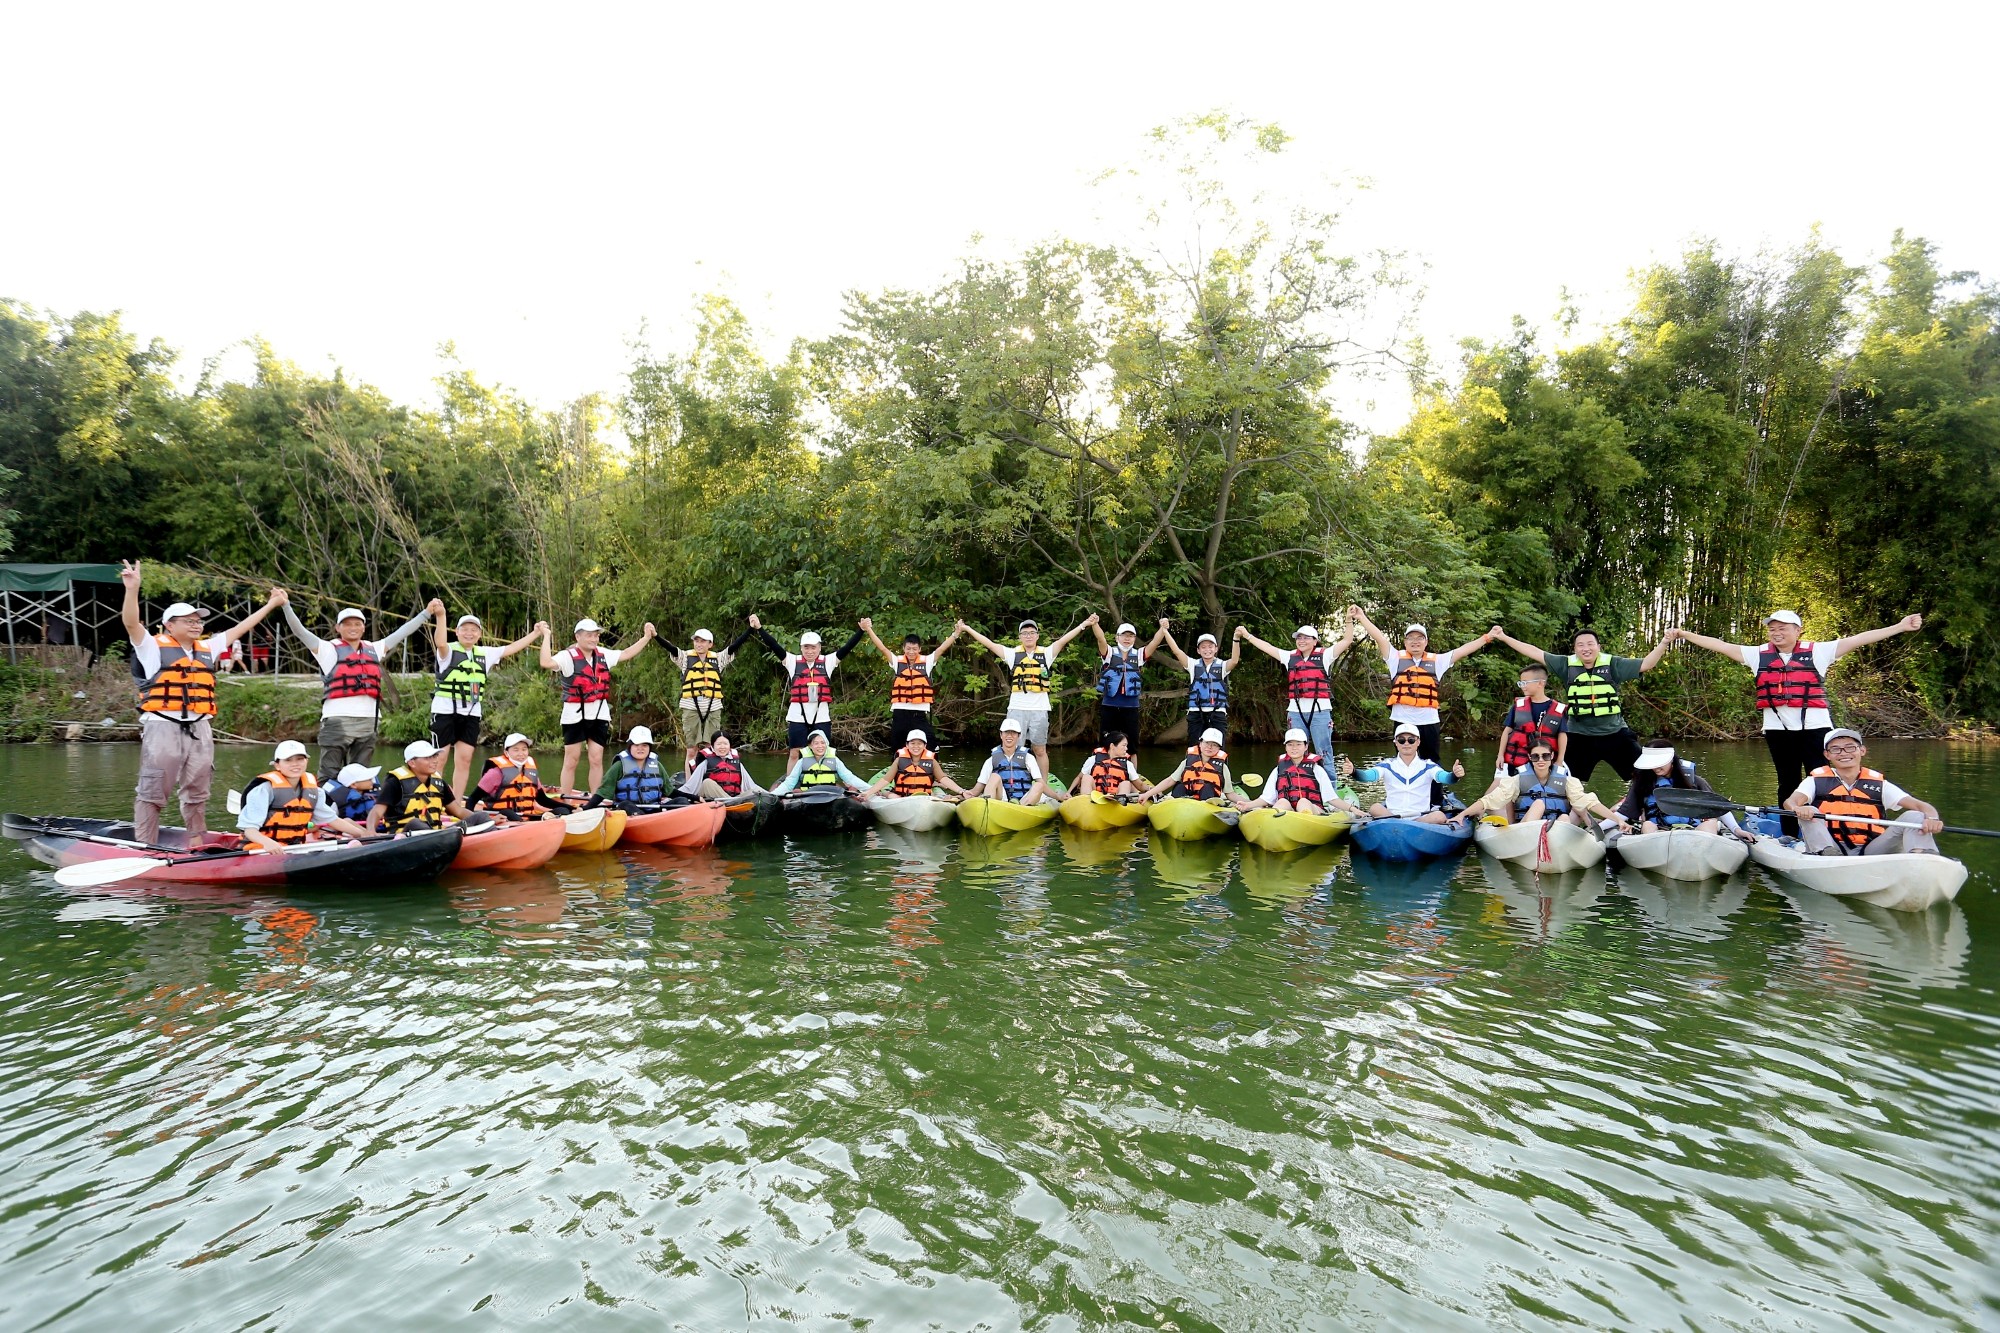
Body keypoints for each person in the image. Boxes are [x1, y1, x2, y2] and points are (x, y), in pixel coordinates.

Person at [1669, 610, 1925, 803]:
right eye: (1772, 629)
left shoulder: (1818, 651)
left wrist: (1899, 627)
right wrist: (1684, 634)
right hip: (1777, 729)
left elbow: (1859, 639)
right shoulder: (1758, 654)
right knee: (1787, 781)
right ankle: (1790, 834)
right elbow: (1720, 645)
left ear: (1798, 630)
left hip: (1815, 727)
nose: (1776, 632)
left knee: (1821, 778)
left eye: (1782, 628)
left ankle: (1826, 827)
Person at [119, 560, 288, 845]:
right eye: (189, 620)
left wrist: (271, 605)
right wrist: (132, 589)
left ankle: (197, 841)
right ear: (169, 625)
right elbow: (131, 623)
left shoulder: (207, 648)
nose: (196, 623)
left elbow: (242, 627)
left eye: (198, 620)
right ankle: (145, 845)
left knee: (198, 790)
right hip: (163, 727)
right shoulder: (151, 647)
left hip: (200, 727)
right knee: (153, 792)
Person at [283, 596, 441, 783]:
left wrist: (426, 613)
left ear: (363, 627)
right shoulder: (327, 650)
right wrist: (285, 605)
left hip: (368, 722)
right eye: (347, 624)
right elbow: (299, 631)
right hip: (337, 722)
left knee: (360, 775)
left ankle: (355, 809)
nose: (352, 627)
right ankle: (327, 809)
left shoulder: (374, 649)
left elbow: (402, 632)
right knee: (329, 773)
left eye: (357, 624)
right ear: (338, 628)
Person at [1489, 624, 1673, 782]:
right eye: (1580, 645)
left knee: (1644, 773)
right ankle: (1562, 815)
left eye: (1590, 644)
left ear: (1598, 646)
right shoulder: (1565, 665)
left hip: (1614, 733)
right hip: (1579, 735)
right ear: (1575, 649)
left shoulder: (1613, 665)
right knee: (1565, 778)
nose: (1586, 648)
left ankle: (1645, 810)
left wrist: (1664, 641)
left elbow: (1647, 664)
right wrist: (1504, 637)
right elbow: (1534, 652)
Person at [1349, 608, 1495, 762]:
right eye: (1410, 638)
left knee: (1431, 761)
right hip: (1403, 720)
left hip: (1429, 721)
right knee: (1404, 760)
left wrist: (1488, 637)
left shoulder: (1437, 661)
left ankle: (1435, 786)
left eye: (1420, 638)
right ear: (1405, 642)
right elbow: (1379, 638)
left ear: (1426, 642)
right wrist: (1361, 617)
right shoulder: (1395, 658)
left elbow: (1463, 650)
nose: (1415, 641)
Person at [958, 615, 1097, 777]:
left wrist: (1084, 624)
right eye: (1025, 633)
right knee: (1015, 749)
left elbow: (1063, 640)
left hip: (1039, 709)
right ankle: (1013, 781)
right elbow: (988, 643)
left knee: (1039, 749)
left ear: (1037, 636)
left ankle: (1043, 784)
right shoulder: (1012, 654)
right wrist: (967, 628)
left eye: (1032, 632)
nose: (1028, 636)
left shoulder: (1046, 653)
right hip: (1017, 709)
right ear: (1020, 637)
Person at [430, 609, 546, 792]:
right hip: (444, 711)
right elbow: (440, 641)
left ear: (480, 634)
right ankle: (432, 798)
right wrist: (441, 616)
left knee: (465, 759)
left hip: (471, 713)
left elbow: (512, 648)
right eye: (465, 629)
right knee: (440, 758)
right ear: (457, 632)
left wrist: (535, 633)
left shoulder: (485, 653)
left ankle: (457, 802)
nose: (469, 633)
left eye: (474, 629)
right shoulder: (448, 650)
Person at [540, 616, 658, 795]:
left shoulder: (603, 654)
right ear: (578, 637)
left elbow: (626, 653)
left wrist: (646, 638)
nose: (594, 639)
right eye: (589, 635)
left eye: (596, 635)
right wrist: (546, 635)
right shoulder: (567, 657)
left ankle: (596, 798)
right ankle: (566, 797)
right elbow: (545, 662)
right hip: (574, 715)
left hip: (599, 714)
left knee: (596, 759)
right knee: (572, 760)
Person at [1782, 728, 1943, 857]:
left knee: (1915, 816)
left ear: (1862, 751)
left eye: (1850, 747)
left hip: (1872, 849)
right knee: (1812, 812)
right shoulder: (1814, 780)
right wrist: (1799, 809)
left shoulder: (1879, 784)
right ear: (1827, 755)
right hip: (1830, 846)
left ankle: (1924, 857)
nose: (1844, 753)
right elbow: (1790, 802)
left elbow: (1920, 806)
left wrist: (1932, 818)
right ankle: (1827, 855)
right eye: (1836, 749)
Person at [751, 616, 867, 764]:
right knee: (794, 753)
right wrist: (759, 628)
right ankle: (790, 785)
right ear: (801, 648)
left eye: (813, 647)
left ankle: (824, 782)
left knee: (824, 752)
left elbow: (847, 648)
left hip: (821, 716)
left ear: (819, 648)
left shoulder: (828, 661)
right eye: (806, 647)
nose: (810, 651)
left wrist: (861, 631)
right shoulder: (792, 661)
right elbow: (773, 645)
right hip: (797, 716)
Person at [1236, 619, 1356, 761]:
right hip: (1295, 712)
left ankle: (1329, 783)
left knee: (1323, 752)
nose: (1301, 641)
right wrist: (1247, 635)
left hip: (1320, 711)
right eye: (1299, 637)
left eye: (1306, 638)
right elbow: (1266, 647)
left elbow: (1347, 640)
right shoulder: (1290, 657)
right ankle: (1299, 782)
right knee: (1297, 753)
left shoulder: (1325, 655)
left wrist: (1349, 619)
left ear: (1315, 641)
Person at [236, 740, 373, 850]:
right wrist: (269, 843)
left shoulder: (314, 791)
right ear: (277, 765)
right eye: (288, 760)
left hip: (294, 848)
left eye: (300, 759)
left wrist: (363, 835)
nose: (295, 764)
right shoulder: (264, 789)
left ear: (306, 761)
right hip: (261, 848)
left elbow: (333, 820)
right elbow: (249, 829)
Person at [1453, 743, 1628, 830]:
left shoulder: (1567, 781)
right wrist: (1461, 815)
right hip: (1529, 829)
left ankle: (1592, 831)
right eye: (1536, 757)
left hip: (1559, 828)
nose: (1541, 760)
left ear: (1552, 756)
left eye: (1545, 756)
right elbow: (1489, 800)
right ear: (1530, 758)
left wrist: (1618, 820)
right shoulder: (1518, 780)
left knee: (1572, 811)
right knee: (1538, 803)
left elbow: (1590, 803)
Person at [860, 618, 963, 753]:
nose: (911, 652)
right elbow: (882, 647)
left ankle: (933, 770)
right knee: (897, 747)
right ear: (904, 648)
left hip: (919, 714)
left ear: (919, 649)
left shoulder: (927, 661)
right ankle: (897, 770)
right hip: (900, 712)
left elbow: (942, 648)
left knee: (931, 744)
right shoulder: (897, 661)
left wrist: (956, 634)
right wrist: (868, 629)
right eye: (908, 648)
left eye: (914, 649)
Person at [662, 625, 756, 766]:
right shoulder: (686, 657)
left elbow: (735, 646)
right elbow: (671, 648)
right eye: (696, 641)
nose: (699, 644)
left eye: (703, 641)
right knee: (691, 750)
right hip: (691, 706)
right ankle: (690, 784)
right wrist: (656, 635)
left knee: (710, 748)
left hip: (713, 707)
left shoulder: (718, 659)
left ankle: (709, 779)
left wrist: (751, 629)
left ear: (710, 644)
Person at [1614, 741, 1747, 838]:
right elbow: (1624, 813)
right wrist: (1600, 829)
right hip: (1660, 830)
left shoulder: (1696, 781)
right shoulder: (1642, 784)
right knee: (1648, 825)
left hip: (1694, 829)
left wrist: (1737, 830)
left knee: (1710, 824)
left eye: (1660, 762)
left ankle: (1698, 852)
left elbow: (1719, 807)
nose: (1656, 768)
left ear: (1672, 760)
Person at [1239, 728, 1367, 816]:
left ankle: (1303, 822)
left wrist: (1352, 809)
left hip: (1313, 810)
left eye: (1298, 744)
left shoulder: (1316, 769)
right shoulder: (1278, 769)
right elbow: (1266, 798)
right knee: (1281, 802)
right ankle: (1278, 825)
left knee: (1303, 802)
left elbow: (1331, 798)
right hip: (1288, 812)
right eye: (1290, 744)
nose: (1294, 748)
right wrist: (1248, 805)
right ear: (1285, 747)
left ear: (1305, 747)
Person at [1155, 619, 1241, 746]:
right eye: (1203, 647)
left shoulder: (1222, 666)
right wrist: (1165, 631)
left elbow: (1234, 660)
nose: (1207, 650)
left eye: (1210, 646)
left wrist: (1236, 639)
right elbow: (1177, 651)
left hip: (1217, 713)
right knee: (1195, 749)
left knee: (1218, 749)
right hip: (1196, 713)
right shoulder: (1193, 665)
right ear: (1198, 650)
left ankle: (1219, 765)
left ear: (1216, 649)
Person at [1356, 724, 1464, 823]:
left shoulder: (1428, 766)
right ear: (1396, 743)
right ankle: (1399, 823)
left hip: (1421, 818)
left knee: (1439, 816)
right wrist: (1353, 772)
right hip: (1391, 816)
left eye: (1411, 740)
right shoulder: (1387, 765)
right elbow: (1367, 777)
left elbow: (1445, 778)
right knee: (1375, 808)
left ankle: (1405, 825)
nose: (1406, 743)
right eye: (1401, 740)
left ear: (1418, 742)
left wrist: (1454, 775)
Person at [1089, 618, 1168, 746]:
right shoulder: (1109, 653)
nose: (1127, 638)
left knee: (1131, 746)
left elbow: (1154, 643)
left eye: (1131, 636)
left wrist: (1162, 628)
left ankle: (1132, 766)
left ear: (1134, 639)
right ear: (1117, 637)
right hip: (1110, 705)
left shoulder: (1139, 655)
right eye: (1124, 635)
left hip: (1131, 706)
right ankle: (1105, 765)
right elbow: (1101, 639)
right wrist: (1095, 624)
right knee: (1106, 743)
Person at [371, 740, 477, 832]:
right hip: (405, 835)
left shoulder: (438, 783)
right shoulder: (394, 783)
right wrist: (370, 830)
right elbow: (376, 811)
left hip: (437, 834)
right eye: (427, 758)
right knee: (416, 823)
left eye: (435, 756)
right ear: (412, 763)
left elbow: (458, 811)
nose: (435, 761)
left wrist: (481, 820)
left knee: (480, 817)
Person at [470, 733, 573, 820]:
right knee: (508, 813)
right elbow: (472, 799)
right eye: (516, 750)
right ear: (506, 752)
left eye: (524, 749)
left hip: (526, 816)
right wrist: (470, 819)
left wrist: (571, 808)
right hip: (503, 817)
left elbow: (543, 800)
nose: (521, 754)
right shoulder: (495, 773)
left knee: (563, 811)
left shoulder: (530, 772)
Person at [1494, 663, 1569, 776]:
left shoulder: (1558, 709)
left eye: (1525, 683)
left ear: (1540, 683)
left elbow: (1562, 735)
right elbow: (1507, 731)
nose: (1522, 686)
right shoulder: (1518, 705)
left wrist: (1559, 761)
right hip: (1518, 763)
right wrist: (1500, 755)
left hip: (1544, 763)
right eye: (1521, 683)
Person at [864, 729, 972, 801]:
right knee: (892, 795)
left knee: (938, 798)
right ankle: (885, 794)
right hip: (902, 797)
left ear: (924, 745)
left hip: (924, 797)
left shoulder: (932, 762)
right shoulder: (899, 760)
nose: (916, 746)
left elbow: (943, 779)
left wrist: (962, 791)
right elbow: (886, 780)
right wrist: (868, 793)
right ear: (907, 745)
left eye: (919, 743)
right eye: (913, 743)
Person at [1137, 729, 1235, 805]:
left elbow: (1230, 794)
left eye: (1214, 745)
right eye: (1207, 743)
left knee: (1207, 788)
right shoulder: (1187, 762)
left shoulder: (1222, 768)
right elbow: (1170, 781)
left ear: (1219, 748)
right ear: (1200, 743)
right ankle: (1176, 807)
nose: (1209, 747)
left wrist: (1248, 803)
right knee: (1180, 787)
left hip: (1206, 803)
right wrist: (1147, 794)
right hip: (1185, 800)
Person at [972, 719, 1052, 805]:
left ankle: (1020, 809)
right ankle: (988, 807)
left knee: (1039, 785)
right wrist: (964, 794)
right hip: (1001, 799)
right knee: (994, 777)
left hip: (1023, 800)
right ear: (1001, 735)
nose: (1009, 736)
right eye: (1006, 732)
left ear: (1018, 736)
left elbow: (1041, 782)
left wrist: (1058, 797)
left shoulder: (1028, 758)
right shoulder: (991, 760)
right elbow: (978, 788)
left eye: (1013, 733)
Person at [768, 729, 871, 796]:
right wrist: (772, 795)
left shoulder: (835, 760)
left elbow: (850, 778)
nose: (820, 746)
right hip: (807, 796)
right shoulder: (802, 762)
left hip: (830, 795)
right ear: (810, 746)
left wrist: (871, 789)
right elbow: (789, 783)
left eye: (822, 743)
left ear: (826, 744)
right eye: (816, 743)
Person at [682, 733, 766, 802]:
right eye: (718, 744)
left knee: (756, 791)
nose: (722, 747)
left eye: (725, 744)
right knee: (707, 783)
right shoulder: (705, 763)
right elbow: (690, 786)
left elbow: (751, 785)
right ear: (712, 746)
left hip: (735, 798)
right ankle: (732, 803)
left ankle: (733, 802)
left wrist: (771, 795)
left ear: (730, 746)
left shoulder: (737, 763)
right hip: (710, 800)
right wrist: (672, 796)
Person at [1073, 731, 1146, 800]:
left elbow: (1140, 785)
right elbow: (1079, 777)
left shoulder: (1127, 764)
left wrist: (1151, 790)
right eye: (1124, 745)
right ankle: (1086, 801)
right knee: (1086, 777)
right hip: (1095, 797)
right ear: (1112, 746)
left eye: (1126, 746)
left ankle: (1119, 800)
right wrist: (1069, 792)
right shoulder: (1093, 759)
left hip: (1116, 796)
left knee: (1126, 783)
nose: (1126, 749)